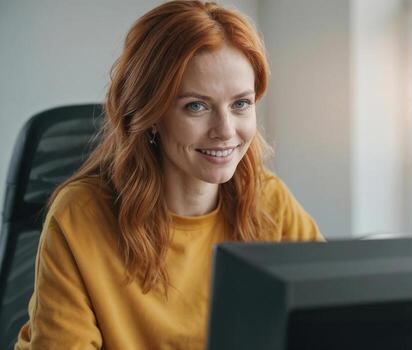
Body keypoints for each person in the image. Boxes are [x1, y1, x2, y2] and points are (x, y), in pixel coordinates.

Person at [15, 1, 324, 349]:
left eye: (241, 104)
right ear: (151, 114)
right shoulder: (80, 217)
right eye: (196, 106)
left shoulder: (269, 200)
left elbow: (334, 318)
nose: (225, 130)